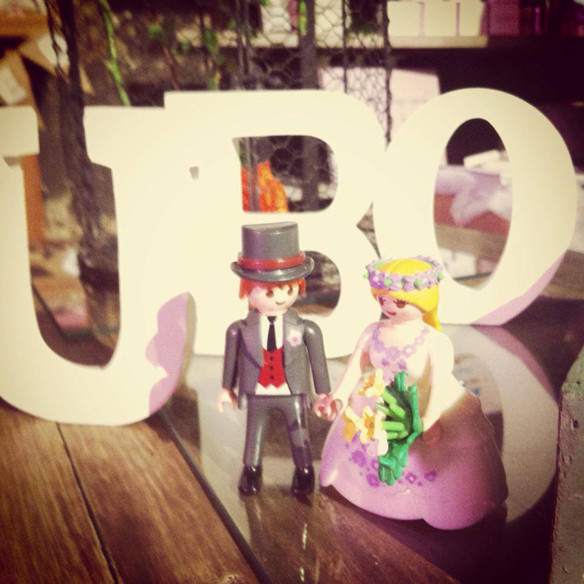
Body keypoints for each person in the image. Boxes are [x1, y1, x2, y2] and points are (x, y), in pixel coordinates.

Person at [315, 256, 508, 529]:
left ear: (424, 300)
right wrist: (339, 395)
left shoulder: (435, 342)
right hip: (379, 398)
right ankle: (368, 489)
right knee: (363, 439)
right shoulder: (372, 332)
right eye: (382, 299)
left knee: (426, 456)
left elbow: (439, 384)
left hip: (421, 402)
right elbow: (355, 367)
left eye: (399, 301)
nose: (388, 307)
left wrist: (431, 417)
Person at [218, 222, 332, 497]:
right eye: (270, 292)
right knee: (254, 432)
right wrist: (226, 388)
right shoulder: (239, 329)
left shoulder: (305, 329)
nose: (280, 297)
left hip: (291, 390)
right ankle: (251, 469)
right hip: (257, 391)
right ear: (247, 290)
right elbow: (231, 360)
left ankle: (304, 470)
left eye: (288, 289)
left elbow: (318, 362)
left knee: (299, 431)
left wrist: (323, 394)